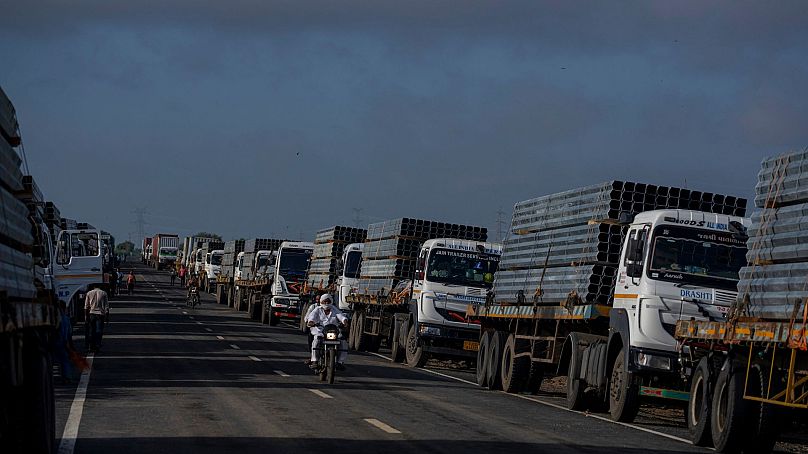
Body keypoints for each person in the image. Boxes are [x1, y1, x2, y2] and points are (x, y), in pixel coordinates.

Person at [305, 294, 348, 370]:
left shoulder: (334, 309)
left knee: (343, 340)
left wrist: (344, 322)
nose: (326, 303)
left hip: (334, 331)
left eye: (328, 301)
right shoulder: (317, 310)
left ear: (331, 302)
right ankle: (314, 360)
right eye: (325, 301)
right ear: (321, 302)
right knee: (316, 340)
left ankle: (340, 362)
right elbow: (311, 317)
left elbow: (341, 316)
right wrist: (311, 322)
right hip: (320, 330)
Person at [54, 300, 75, 383]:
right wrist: (71, 346)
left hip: (54, 342)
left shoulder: (55, 318)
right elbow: (69, 333)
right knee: (65, 360)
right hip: (63, 342)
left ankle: (64, 376)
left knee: (57, 360)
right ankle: (66, 377)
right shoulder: (66, 319)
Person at [84, 285, 109, 353]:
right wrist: (107, 317)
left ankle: (91, 346)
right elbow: (106, 306)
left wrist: (86, 316)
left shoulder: (89, 293)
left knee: (92, 331)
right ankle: (97, 345)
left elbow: (86, 306)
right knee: (99, 331)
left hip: (92, 313)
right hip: (100, 314)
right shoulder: (104, 293)